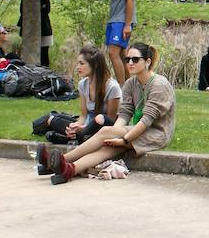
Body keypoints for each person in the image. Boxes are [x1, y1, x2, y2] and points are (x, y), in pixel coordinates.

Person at [36, 42, 176, 185]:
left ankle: (59, 161)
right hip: (137, 129)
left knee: (106, 132)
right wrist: (115, 133)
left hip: (156, 133)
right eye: (127, 59)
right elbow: (125, 114)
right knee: (107, 146)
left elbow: (146, 121)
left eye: (135, 59)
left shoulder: (159, 85)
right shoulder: (130, 83)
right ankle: (69, 170)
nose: (130, 63)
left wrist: (124, 139)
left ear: (147, 61)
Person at [32, 46, 121, 145]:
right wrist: (74, 127)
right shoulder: (83, 84)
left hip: (102, 127)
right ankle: (76, 136)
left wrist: (84, 128)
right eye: (78, 63)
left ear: (95, 65)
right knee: (52, 119)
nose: (78, 67)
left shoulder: (112, 87)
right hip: (87, 124)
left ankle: (71, 138)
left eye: (82, 63)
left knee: (99, 118)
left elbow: (110, 120)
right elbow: (83, 116)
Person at [100, 0, 136, 83]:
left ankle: (121, 88)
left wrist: (127, 24)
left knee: (113, 52)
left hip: (121, 21)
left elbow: (130, 0)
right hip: (114, 19)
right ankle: (129, 87)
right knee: (121, 54)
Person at [17, 0, 52, 67]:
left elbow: (46, 10)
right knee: (28, 53)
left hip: (44, 29)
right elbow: (22, 11)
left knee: (44, 54)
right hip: (28, 29)